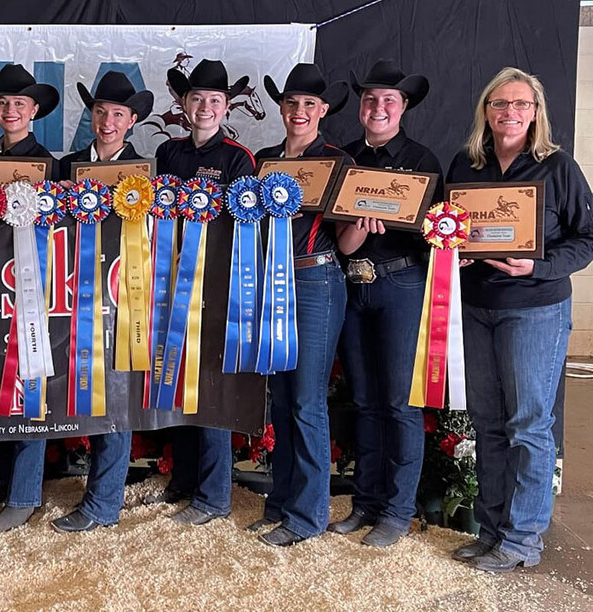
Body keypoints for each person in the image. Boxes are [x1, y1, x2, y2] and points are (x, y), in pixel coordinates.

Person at [446, 67, 593, 572]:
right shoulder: (466, 164)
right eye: (500, 104)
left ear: (535, 112)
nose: (510, 113)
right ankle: (491, 530)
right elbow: (449, 228)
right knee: (489, 424)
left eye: (521, 104)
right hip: (477, 308)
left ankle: (522, 540)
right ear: (486, 112)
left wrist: (538, 266)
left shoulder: (557, 167)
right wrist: (457, 251)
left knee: (528, 426)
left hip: (535, 309)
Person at [327, 60, 443, 547]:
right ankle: (366, 503)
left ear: (404, 108)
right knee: (365, 401)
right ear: (361, 108)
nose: (378, 107)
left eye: (388, 101)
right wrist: (358, 227)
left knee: (398, 403)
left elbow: (434, 232)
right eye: (370, 100)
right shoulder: (346, 160)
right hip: (354, 285)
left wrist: (395, 221)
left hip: (401, 286)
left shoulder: (421, 160)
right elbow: (342, 241)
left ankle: (397, 512)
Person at [142, 59, 256, 526]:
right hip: (172, 284)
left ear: (226, 107)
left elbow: (246, 228)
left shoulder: (238, 158)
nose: (205, 107)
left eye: (214, 100)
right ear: (183, 105)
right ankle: (184, 480)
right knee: (177, 380)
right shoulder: (169, 153)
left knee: (210, 387)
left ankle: (214, 496)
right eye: (196, 99)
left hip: (217, 285)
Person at [252, 63, 353, 547]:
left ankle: (309, 514)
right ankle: (281, 502)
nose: (299, 111)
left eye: (309, 104)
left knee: (308, 399)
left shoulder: (339, 160)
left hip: (316, 278)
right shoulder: (264, 160)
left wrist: (366, 222)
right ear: (281, 107)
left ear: (323, 110)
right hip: (269, 281)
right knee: (283, 397)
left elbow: (350, 243)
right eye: (291, 102)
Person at [50, 71, 154, 532]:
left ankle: (104, 503)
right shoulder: (66, 167)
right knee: (74, 390)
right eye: (100, 112)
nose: (107, 122)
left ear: (131, 121)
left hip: (124, 294)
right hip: (72, 294)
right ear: (90, 116)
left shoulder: (146, 174)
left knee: (116, 394)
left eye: (117, 114)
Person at [0, 63, 62, 533]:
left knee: (30, 382)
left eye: (19, 104)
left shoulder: (51, 165)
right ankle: (5, 480)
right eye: (3, 103)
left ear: (34, 111)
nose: (10, 110)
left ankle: (25, 494)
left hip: (34, 287)